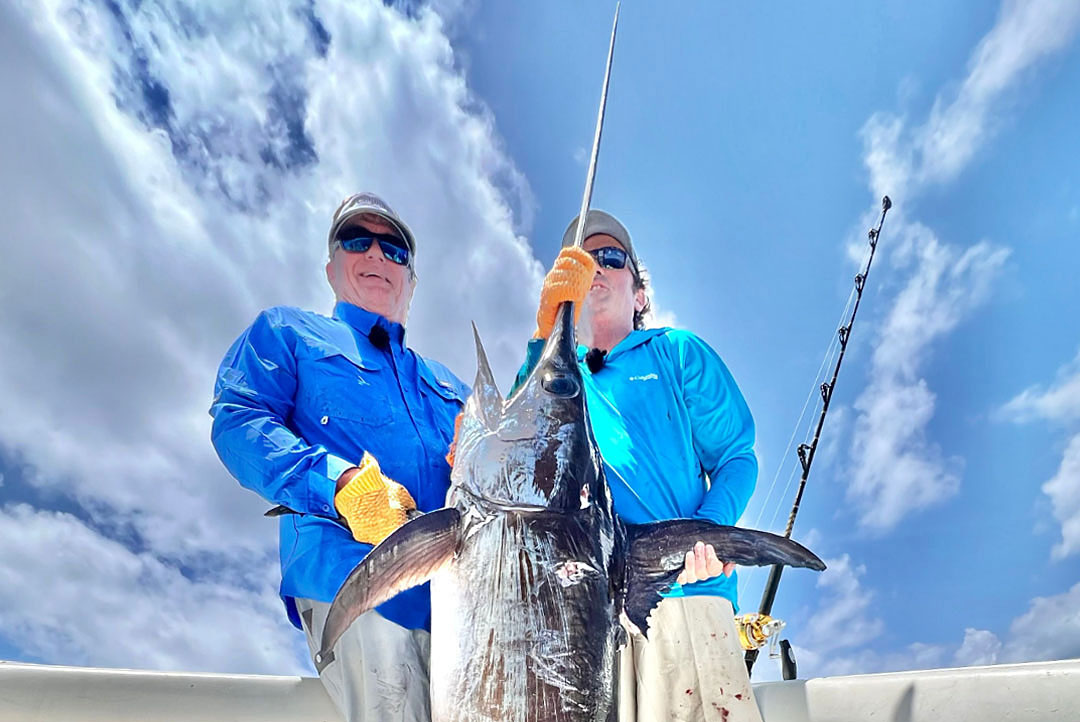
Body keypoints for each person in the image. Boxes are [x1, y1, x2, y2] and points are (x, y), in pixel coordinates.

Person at [210, 193, 468, 722]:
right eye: (357, 241)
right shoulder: (287, 333)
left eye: (393, 249)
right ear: (331, 267)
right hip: (359, 586)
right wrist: (339, 483)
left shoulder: (451, 385)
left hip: (464, 610)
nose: (376, 254)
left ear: (412, 282)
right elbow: (238, 421)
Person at [517, 210, 762, 722]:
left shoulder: (676, 353)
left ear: (640, 294)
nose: (597, 268)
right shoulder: (554, 377)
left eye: (612, 257)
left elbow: (737, 456)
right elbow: (518, 442)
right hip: (581, 618)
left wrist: (709, 532)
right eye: (584, 262)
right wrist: (545, 337)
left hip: (684, 596)